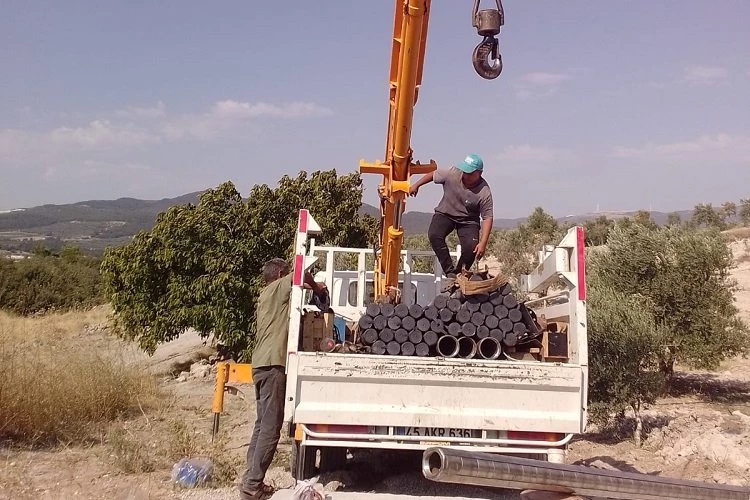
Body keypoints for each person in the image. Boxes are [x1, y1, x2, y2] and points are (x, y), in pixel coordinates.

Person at [240, 258, 327, 500]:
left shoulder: (266, 294)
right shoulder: (279, 287)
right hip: (273, 364)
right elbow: (300, 273)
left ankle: (251, 479)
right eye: (286, 274)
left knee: (260, 425)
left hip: (260, 363)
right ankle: (252, 485)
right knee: (271, 427)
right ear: (280, 274)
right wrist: (318, 287)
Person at [409, 153, 494, 278]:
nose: (466, 175)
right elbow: (433, 175)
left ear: (479, 173)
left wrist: (483, 242)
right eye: (465, 171)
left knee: (472, 248)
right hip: (446, 213)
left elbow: (487, 217)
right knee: (434, 235)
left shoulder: (484, 192)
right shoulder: (452, 173)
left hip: (468, 220)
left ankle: (459, 274)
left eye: (470, 173)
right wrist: (416, 185)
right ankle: (449, 272)